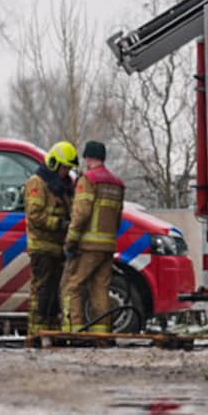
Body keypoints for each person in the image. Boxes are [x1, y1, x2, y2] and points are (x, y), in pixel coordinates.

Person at [61, 140, 126, 334]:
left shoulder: (88, 180)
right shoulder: (117, 184)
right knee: (100, 290)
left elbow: (81, 214)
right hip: (108, 246)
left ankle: (75, 330)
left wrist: (71, 240)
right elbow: (118, 218)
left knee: (73, 286)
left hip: (88, 246)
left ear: (88, 158)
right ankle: (101, 334)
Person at [24, 141, 77, 340]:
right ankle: (36, 334)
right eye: (65, 167)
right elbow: (35, 215)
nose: (67, 172)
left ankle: (53, 334)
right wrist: (60, 224)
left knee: (55, 295)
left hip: (59, 248)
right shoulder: (38, 182)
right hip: (42, 247)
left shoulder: (63, 186)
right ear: (54, 163)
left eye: (69, 168)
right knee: (42, 292)